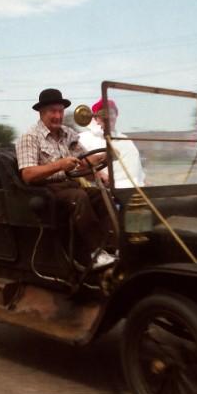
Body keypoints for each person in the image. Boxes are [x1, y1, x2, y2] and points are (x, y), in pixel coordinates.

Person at [15, 88, 116, 269]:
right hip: (45, 191)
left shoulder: (68, 134)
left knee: (102, 195)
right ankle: (93, 252)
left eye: (60, 111)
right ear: (41, 112)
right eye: (53, 111)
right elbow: (27, 175)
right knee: (79, 198)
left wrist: (100, 163)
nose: (58, 116)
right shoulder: (29, 137)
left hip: (71, 185)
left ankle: (112, 247)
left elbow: (85, 160)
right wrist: (59, 165)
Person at [79, 98, 145, 188]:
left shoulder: (126, 141)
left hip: (131, 191)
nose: (107, 117)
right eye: (103, 113)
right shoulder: (83, 139)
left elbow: (138, 175)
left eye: (111, 113)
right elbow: (77, 167)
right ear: (95, 118)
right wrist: (96, 174)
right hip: (99, 192)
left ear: (116, 115)